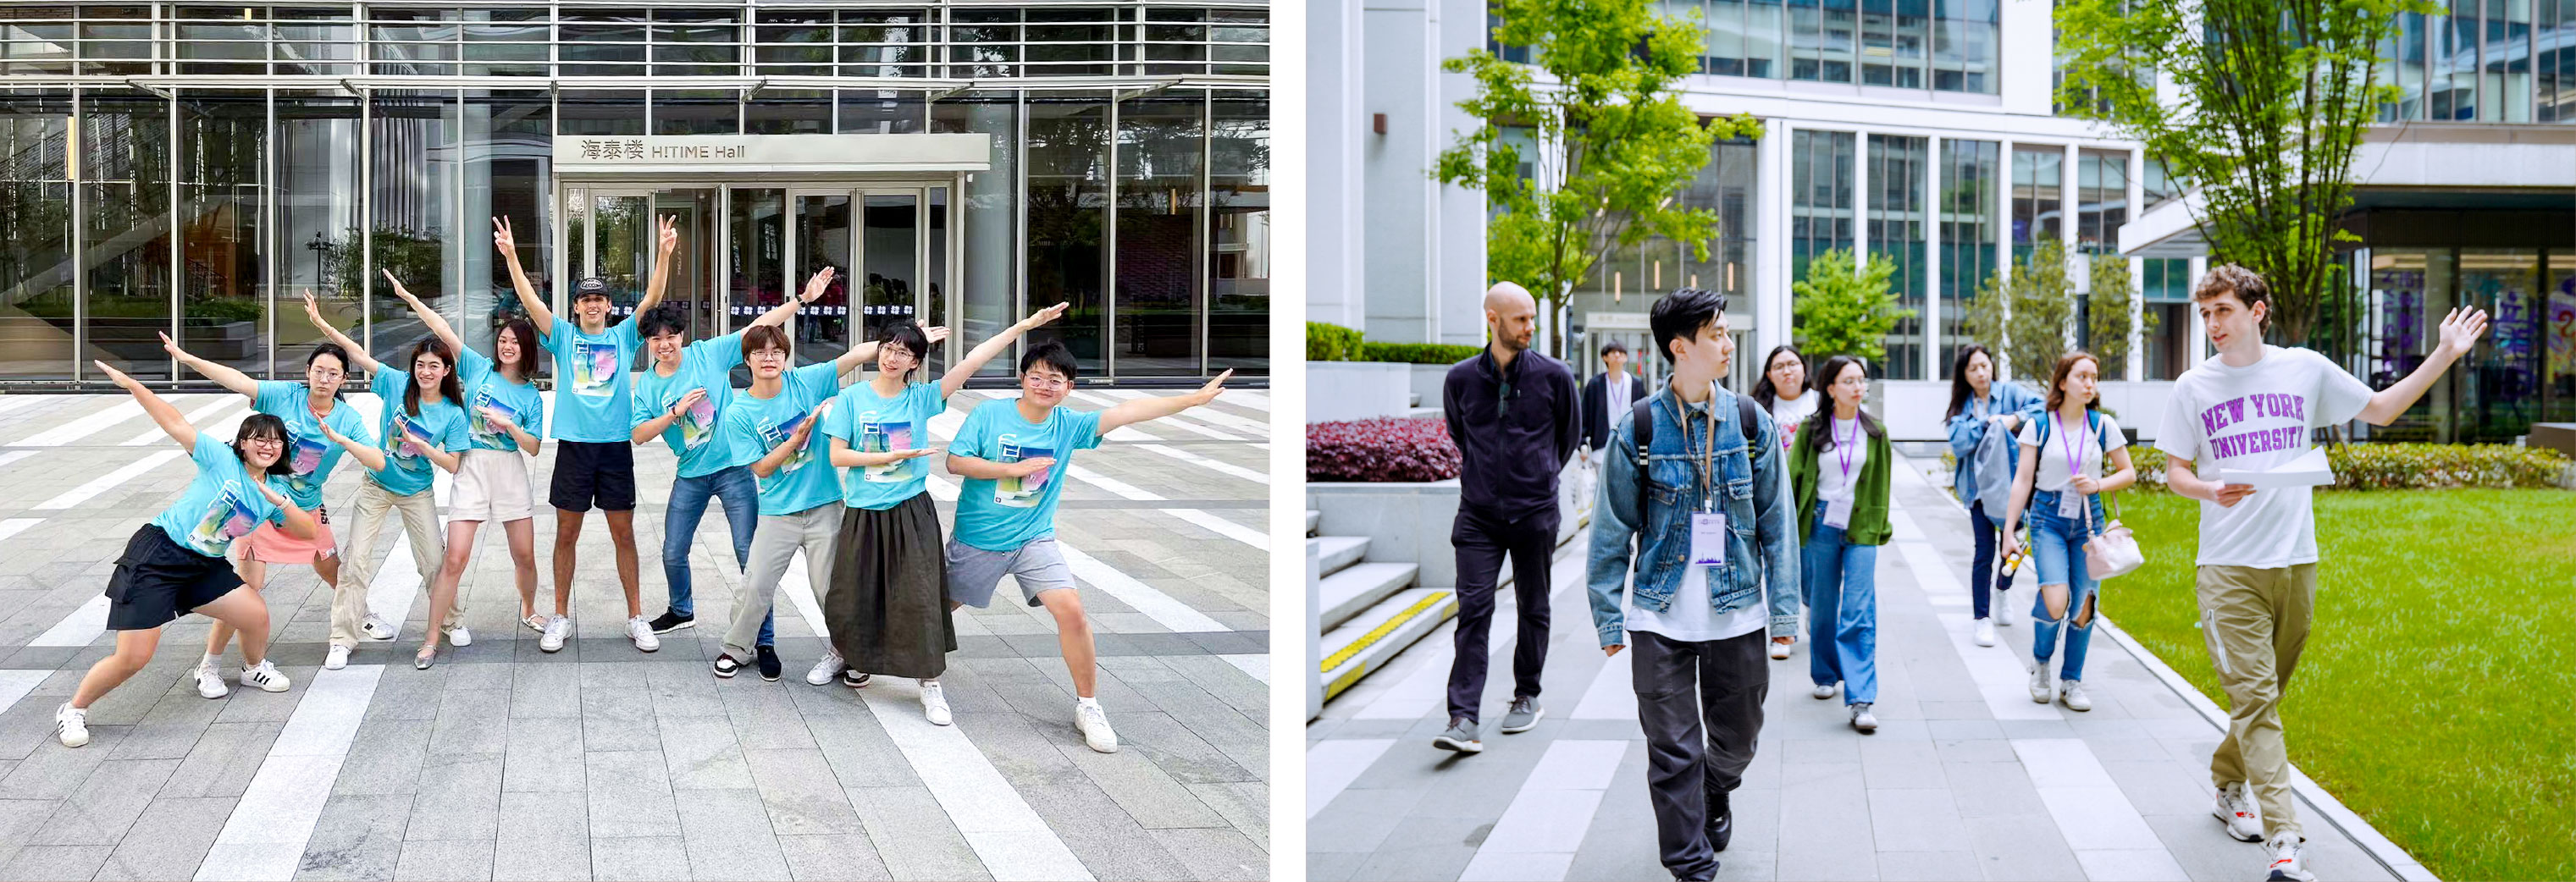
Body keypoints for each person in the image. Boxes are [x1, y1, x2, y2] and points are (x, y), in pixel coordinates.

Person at [2152, 264, 2485, 882]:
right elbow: (2174, 471)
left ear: (2257, 311)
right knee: (2256, 700)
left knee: (2264, 696)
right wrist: (2209, 489)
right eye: (2205, 314)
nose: (2212, 324)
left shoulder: (2303, 368)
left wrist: (2444, 353)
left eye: (2223, 311)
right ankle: (2284, 839)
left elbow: (2382, 409)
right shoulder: (2193, 386)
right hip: (2227, 568)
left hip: (2295, 562)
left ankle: (2227, 781)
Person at [1585, 289, 1796, 882]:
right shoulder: (1639, 427)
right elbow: (1610, 531)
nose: (1728, 344)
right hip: (1659, 616)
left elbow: (1779, 525)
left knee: (1738, 741)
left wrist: (1784, 614)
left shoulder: (1751, 423)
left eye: (1727, 332)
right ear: (1681, 347)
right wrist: (1608, 615)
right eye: (1717, 334)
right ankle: (1691, 867)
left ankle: (1717, 785)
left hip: (1738, 612)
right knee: (1673, 751)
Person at [944, 342, 1230, 753]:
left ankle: (1089, 705)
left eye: (1055, 380)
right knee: (939, 610)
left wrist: (1193, 399)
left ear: (1069, 387)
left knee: (1072, 612)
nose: (1044, 385)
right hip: (979, 538)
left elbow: (1127, 412)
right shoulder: (989, 414)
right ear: (1022, 378)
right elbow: (956, 462)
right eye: (1036, 376)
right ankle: (879, 652)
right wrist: (1011, 468)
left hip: (1033, 539)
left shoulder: (1068, 425)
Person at [824, 303, 1066, 722]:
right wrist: (884, 458)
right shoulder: (852, 398)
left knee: (919, 595)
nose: (892, 357)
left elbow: (972, 361)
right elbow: (837, 456)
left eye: (903, 352)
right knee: (853, 591)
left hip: (910, 511)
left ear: (915, 363)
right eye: (887, 348)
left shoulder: (922, 399)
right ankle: (845, 655)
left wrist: (1023, 326)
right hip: (863, 511)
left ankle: (929, 680)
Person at [57, 361, 315, 747]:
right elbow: (175, 422)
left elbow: (307, 531)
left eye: (276, 441)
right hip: (158, 556)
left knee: (255, 614)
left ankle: (253, 667)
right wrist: (133, 385)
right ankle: (73, 709)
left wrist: (281, 502)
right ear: (243, 443)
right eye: (258, 438)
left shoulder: (275, 490)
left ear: (283, 449)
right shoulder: (221, 459)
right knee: (133, 658)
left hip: (204, 566)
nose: (268, 446)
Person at [629, 266, 842, 647]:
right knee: (673, 551)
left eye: (671, 336)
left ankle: (764, 639)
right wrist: (674, 413)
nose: (665, 344)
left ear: (682, 336)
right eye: (656, 339)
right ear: (647, 342)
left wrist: (802, 300)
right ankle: (681, 609)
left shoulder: (707, 354)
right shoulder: (647, 384)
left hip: (734, 470)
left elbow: (759, 328)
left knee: (750, 556)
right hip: (691, 474)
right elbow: (639, 435)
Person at [164, 333, 379, 699]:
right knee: (245, 590)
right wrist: (188, 360)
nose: (324, 379)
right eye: (319, 371)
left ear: (344, 379)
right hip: (260, 502)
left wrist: (344, 440)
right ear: (307, 371)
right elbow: (237, 380)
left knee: (332, 567)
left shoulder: (347, 419)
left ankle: (361, 613)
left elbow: (376, 460)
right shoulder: (285, 395)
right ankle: (209, 666)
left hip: (305, 508)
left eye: (333, 374)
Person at [495, 214, 672, 653]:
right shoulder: (563, 336)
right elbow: (529, 299)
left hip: (614, 448)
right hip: (574, 449)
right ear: (576, 306)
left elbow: (652, 297)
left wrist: (664, 254)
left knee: (624, 534)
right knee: (566, 534)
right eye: (585, 299)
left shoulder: (625, 336)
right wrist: (512, 256)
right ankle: (560, 616)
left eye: (599, 299)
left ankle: (636, 617)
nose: (592, 305)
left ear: (609, 306)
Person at [711, 318, 924, 682]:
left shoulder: (804, 382)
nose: (769, 359)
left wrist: (898, 342)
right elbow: (761, 468)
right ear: (747, 360)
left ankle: (850, 652)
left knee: (831, 588)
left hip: (825, 505)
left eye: (776, 352)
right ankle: (736, 648)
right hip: (778, 512)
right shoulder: (738, 412)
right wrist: (795, 441)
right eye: (760, 353)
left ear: (785, 357)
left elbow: (853, 356)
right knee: (756, 584)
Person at [1432, 281, 1582, 754]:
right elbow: (1460, 434)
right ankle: (1463, 718)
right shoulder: (1460, 379)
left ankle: (1527, 695)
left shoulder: (1555, 376)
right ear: (1493, 319)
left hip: (1535, 512)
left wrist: (1537, 477)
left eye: (1532, 318)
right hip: (1478, 516)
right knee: (1474, 610)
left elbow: (1567, 438)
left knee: (1533, 605)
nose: (1530, 327)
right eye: (1521, 319)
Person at [297, 287, 470, 670]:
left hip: (417, 491)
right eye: (420, 365)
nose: (426, 372)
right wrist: (322, 323)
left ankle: (451, 620)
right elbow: (357, 354)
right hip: (375, 485)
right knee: (355, 562)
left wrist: (421, 447)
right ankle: (342, 638)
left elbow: (454, 465)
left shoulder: (452, 413)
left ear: (446, 371)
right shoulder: (396, 384)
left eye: (434, 366)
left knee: (433, 562)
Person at [382, 274, 550, 663]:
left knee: (524, 555)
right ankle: (431, 636)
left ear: (527, 349)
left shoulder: (531, 395)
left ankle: (529, 610)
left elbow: (534, 447)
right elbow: (442, 329)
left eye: (515, 342)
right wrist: (409, 296)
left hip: (509, 471)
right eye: (503, 340)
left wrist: (509, 426)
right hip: (471, 467)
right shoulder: (478, 368)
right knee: (455, 558)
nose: (507, 346)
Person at [1998, 351, 2137, 712]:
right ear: (2062, 382)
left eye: (2094, 377)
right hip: (2048, 519)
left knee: (2085, 605)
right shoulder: (2039, 425)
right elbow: (2023, 479)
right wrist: (2009, 531)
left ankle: (2071, 680)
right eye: (2082, 377)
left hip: (2090, 521)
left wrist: (2099, 484)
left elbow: (2129, 473)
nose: (2090, 384)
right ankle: (2041, 663)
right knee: (2056, 600)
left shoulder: (2102, 425)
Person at [1788, 355, 1893, 733]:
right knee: (1822, 606)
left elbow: (1882, 483)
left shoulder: (1876, 432)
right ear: (1830, 388)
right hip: (1821, 524)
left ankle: (1861, 697)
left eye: (1861, 380)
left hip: (1861, 526)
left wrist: (1880, 526)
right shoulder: (1811, 429)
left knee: (1858, 609)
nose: (1857, 387)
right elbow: (1794, 479)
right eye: (1848, 381)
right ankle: (1825, 673)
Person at [1943, 345, 2044, 648]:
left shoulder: (2010, 393)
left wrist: (2014, 418)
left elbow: (2043, 409)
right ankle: (1982, 618)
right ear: (1964, 374)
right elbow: (1959, 441)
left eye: (1984, 366)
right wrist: (1988, 423)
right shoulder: (1962, 404)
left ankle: (2002, 588)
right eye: (1973, 368)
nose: (1981, 373)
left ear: (1992, 366)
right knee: (1984, 553)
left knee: (2014, 548)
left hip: (2014, 488)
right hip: (1979, 492)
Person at [1749, 344, 1817, 660]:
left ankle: (1811, 608)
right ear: (1769, 374)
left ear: (1804, 369)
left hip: (1812, 500)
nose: (1787, 371)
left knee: (1812, 562)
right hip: (1772, 496)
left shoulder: (1820, 404)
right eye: (1779, 366)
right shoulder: (1758, 410)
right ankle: (1782, 629)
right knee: (1775, 561)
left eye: (1793, 364)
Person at [1581, 339, 1648, 459]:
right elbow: (1585, 414)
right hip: (1602, 446)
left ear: (1626, 358)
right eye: (1613, 352)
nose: (1617, 355)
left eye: (1621, 353)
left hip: (1630, 445)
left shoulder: (1636, 384)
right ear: (1605, 357)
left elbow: (1644, 414)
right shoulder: (1595, 384)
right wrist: (1582, 443)